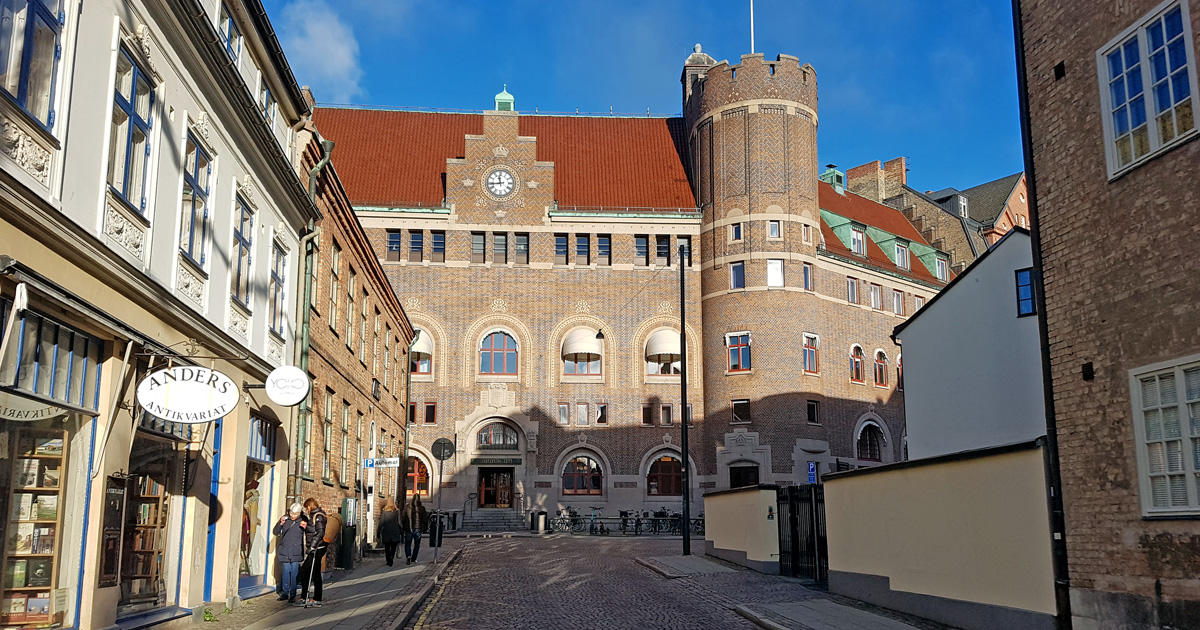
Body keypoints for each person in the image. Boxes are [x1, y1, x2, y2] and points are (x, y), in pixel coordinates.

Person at [294, 498, 327, 607]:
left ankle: (316, 598)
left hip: (317, 548)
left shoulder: (318, 516)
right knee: (308, 572)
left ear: (309, 507)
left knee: (312, 572)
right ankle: (306, 596)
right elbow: (312, 530)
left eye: (306, 508)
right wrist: (306, 526)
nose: (305, 510)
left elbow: (320, 532)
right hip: (314, 548)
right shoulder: (313, 516)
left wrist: (312, 546)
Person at [272, 503, 307, 602]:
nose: (292, 515)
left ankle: (293, 594)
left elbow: (310, 532)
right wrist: (280, 523)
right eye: (291, 513)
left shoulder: (302, 521)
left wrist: (306, 527)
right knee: (286, 572)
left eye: (295, 514)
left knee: (294, 572)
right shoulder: (285, 519)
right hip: (285, 550)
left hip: (296, 551)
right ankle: (285, 593)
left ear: (299, 513)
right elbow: (275, 532)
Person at [401, 495, 428, 565]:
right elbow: (425, 519)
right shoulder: (421, 508)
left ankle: (408, 555)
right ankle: (414, 558)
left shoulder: (407, 507)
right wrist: (425, 528)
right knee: (417, 544)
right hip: (418, 528)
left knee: (407, 543)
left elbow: (403, 517)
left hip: (408, 528)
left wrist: (404, 526)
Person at [377, 499, 404, 567]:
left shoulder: (384, 512)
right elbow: (399, 523)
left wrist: (378, 532)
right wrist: (402, 532)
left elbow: (381, 523)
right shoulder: (397, 512)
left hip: (386, 532)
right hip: (395, 531)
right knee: (393, 546)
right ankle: (391, 556)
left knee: (387, 547)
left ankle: (388, 559)